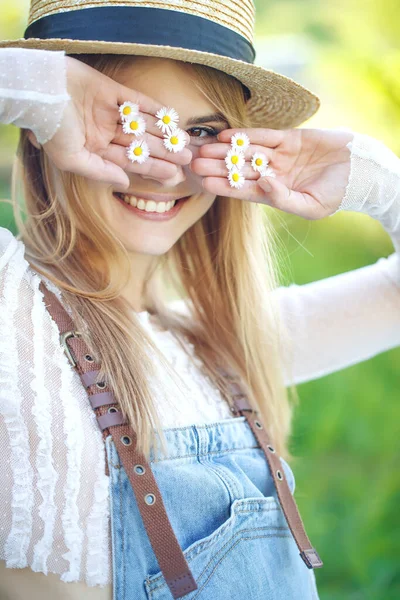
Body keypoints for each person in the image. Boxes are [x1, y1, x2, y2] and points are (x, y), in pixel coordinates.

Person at [0, 1, 399, 599]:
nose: (166, 170)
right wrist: (44, 84)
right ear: (49, 122)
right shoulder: (12, 307)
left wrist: (376, 180)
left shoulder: (227, 345)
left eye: (203, 133)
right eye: (130, 124)